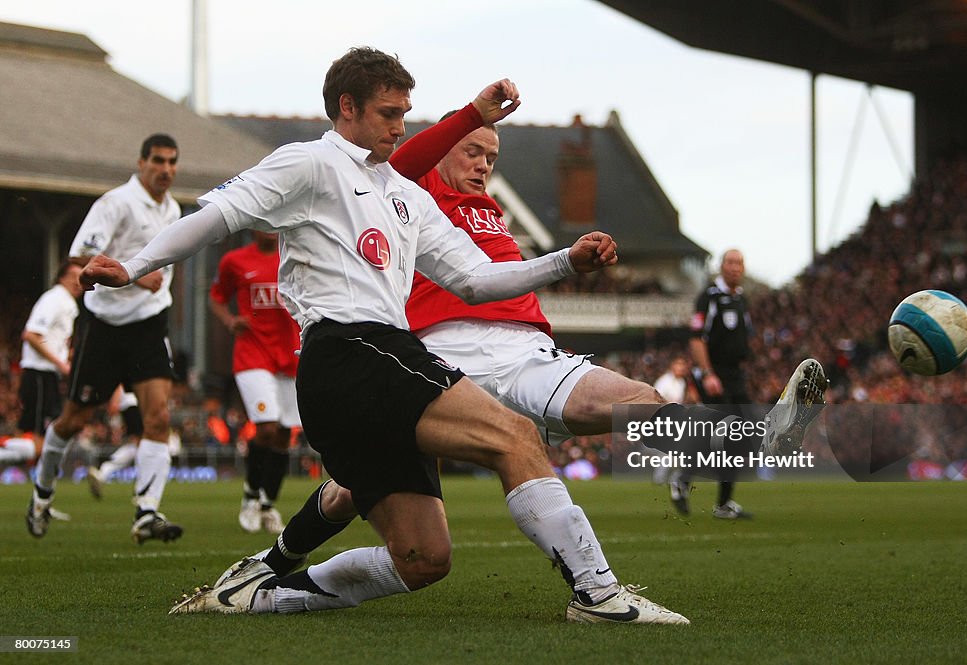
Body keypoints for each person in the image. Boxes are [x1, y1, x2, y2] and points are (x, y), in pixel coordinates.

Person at [186, 74, 827, 620]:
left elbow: (501, 278)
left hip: (528, 355)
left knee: (637, 398)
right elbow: (393, 168)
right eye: (471, 149)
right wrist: (467, 115)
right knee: (358, 482)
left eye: (491, 153)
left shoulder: (491, 213)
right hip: (445, 354)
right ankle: (272, 568)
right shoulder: (406, 192)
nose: (483, 161)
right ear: (438, 148)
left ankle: (755, 441)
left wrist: (568, 261)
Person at [81, 48, 687, 625]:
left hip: (370, 370)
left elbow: (475, 279)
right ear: (347, 107)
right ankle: (599, 594)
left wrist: (564, 263)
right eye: (388, 114)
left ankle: (258, 594)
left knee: (424, 560)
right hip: (350, 350)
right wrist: (133, 266)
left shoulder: (405, 196)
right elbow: (217, 216)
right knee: (516, 435)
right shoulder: (309, 163)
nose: (398, 128)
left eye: (404, 115)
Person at [27, 134, 184, 544]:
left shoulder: (173, 209)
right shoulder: (116, 203)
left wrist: (154, 281)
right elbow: (81, 256)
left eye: (172, 162)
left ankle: (146, 513)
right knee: (72, 420)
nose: (166, 169)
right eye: (158, 161)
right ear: (141, 162)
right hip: (105, 326)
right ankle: (42, 492)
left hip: (150, 322)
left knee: (158, 419)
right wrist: (135, 270)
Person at [209, 230, 301, 534]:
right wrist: (229, 320)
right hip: (252, 355)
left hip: (290, 357)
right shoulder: (235, 261)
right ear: (252, 226)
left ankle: (267, 504)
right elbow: (217, 296)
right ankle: (250, 497)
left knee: (283, 434)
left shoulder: (297, 255)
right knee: (266, 427)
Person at [672, 248, 756, 519]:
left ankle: (721, 502)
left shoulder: (741, 299)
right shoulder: (709, 297)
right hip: (715, 374)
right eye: (730, 262)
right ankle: (683, 480)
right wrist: (707, 374)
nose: (734, 267)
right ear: (721, 266)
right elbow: (697, 337)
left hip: (735, 376)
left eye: (739, 263)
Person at [0, 261, 83, 471]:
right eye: (74, 277)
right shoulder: (55, 299)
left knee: (44, 437)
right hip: (39, 374)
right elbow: (31, 335)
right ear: (61, 277)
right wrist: (61, 363)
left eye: (81, 278)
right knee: (38, 439)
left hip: (48, 375)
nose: (78, 283)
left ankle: (41, 489)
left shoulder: (68, 304)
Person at [86, 387, 144, 498]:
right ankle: (142, 487)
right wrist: (115, 400)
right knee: (142, 444)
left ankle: (103, 472)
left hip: (131, 403)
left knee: (138, 445)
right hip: (134, 402)